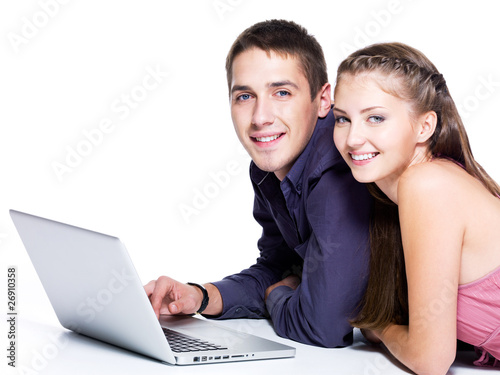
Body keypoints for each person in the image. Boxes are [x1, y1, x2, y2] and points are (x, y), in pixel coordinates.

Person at [144, 19, 372, 348]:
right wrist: (200, 296)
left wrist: (276, 294)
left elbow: (324, 327)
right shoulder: (268, 169)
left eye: (281, 92)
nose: (260, 117)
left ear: (323, 101)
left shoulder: (337, 171)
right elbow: (277, 266)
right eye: (245, 96)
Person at [332, 42, 500, 373]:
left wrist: (380, 327)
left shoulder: (427, 184)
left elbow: (430, 360)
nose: (352, 139)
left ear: (424, 126)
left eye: (375, 118)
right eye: (342, 119)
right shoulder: (422, 184)